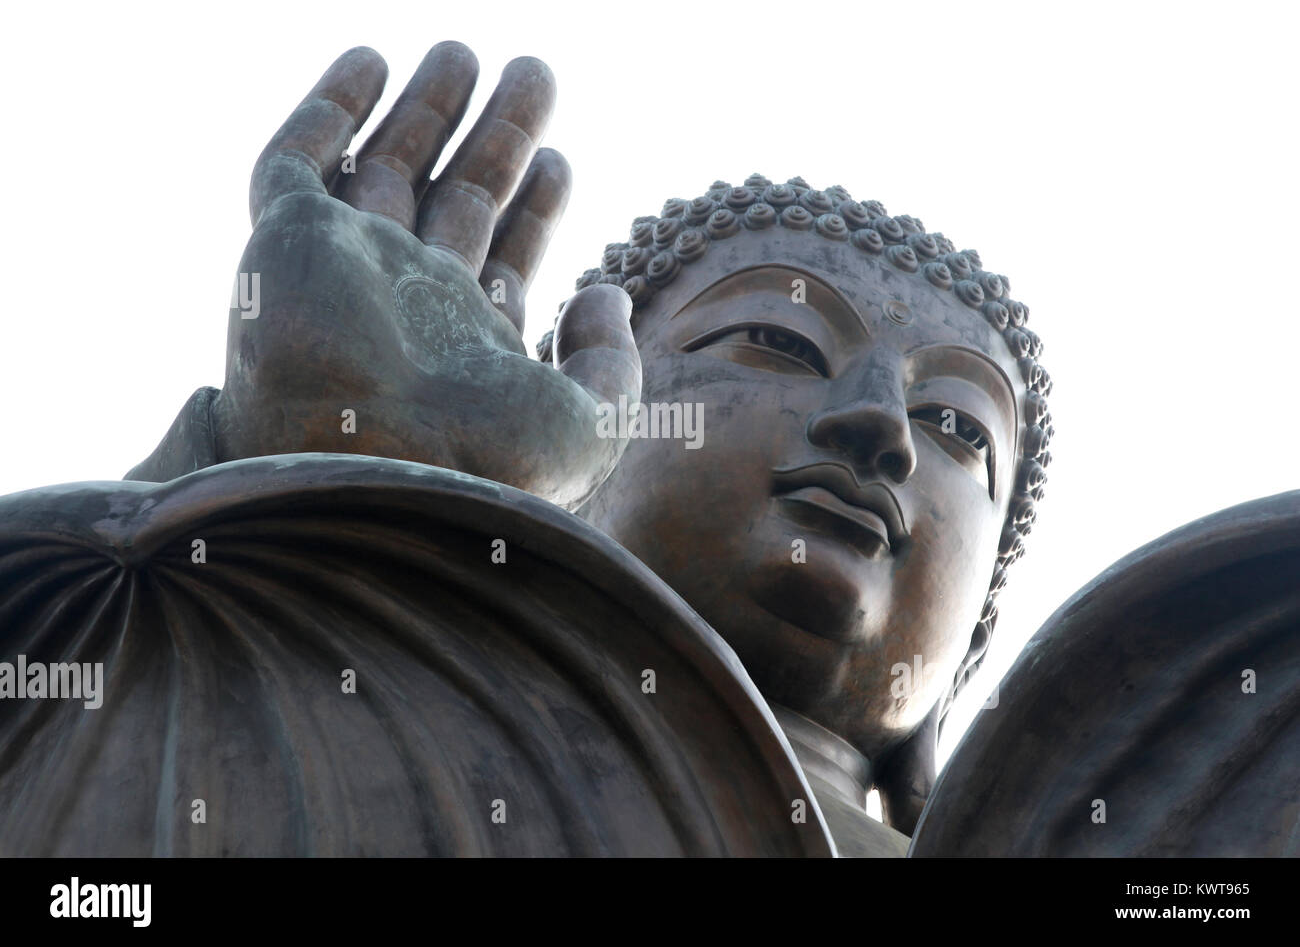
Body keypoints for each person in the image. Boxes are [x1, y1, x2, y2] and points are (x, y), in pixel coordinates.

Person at [120, 42, 1051, 854]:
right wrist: (308, 512)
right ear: (584, 456)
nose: (881, 426)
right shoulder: (370, 747)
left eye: (961, 429)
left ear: (975, 645)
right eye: (779, 341)